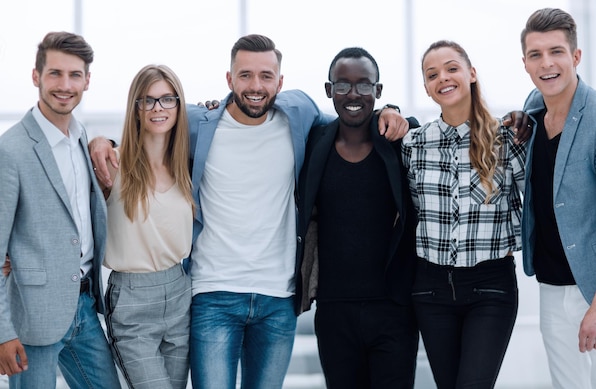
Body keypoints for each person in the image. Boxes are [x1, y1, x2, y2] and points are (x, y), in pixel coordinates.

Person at [90, 33, 409, 389]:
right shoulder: (199, 123)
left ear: (280, 82)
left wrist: (390, 111)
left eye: (265, 76)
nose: (255, 86)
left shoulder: (299, 115)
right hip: (213, 295)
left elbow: (351, 114)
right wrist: (105, 141)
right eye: (245, 75)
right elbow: (152, 124)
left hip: (278, 299)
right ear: (229, 79)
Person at [402, 40, 526, 388]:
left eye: (452, 68)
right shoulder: (414, 144)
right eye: (432, 74)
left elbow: (534, 199)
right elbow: (412, 210)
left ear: (471, 74)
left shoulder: (507, 138)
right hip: (430, 290)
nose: (443, 77)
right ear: (426, 88)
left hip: (490, 287)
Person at [0, 31, 121, 388]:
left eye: (74, 75)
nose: (64, 85)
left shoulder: (82, 136)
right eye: (55, 73)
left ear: (87, 80)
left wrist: (107, 141)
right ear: (36, 76)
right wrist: (3, 332)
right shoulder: (11, 150)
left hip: (84, 305)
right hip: (32, 317)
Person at [297, 47, 419, 388]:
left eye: (364, 85)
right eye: (343, 85)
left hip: (393, 309)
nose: (353, 94)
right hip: (335, 310)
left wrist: (397, 115)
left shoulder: (397, 142)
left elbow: (420, 129)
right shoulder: (313, 142)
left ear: (378, 91)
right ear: (328, 90)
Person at [520, 8, 596, 389]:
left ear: (576, 57)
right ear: (526, 63)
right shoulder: (533, 108)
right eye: (536, 55)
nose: (546, 64)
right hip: (551, 287)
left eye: (556, 52)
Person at [102, 64, 194, 389]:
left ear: (179, 106)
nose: (158, 108)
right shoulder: (111, 164)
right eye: (148, 100)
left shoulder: (186, 165)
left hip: (180, 292)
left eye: (167, 99)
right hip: (131, 300)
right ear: (136, 108)